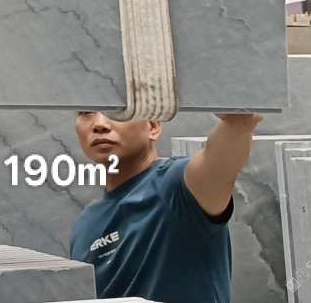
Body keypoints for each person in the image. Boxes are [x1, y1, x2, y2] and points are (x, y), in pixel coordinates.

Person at [68, 109, 263, 303]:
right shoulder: (86, 222)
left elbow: (236, 128)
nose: (99, 124)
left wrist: (236, 116)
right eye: (86, 112)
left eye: (118, 110)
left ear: (152, 126)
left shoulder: (178, 186)